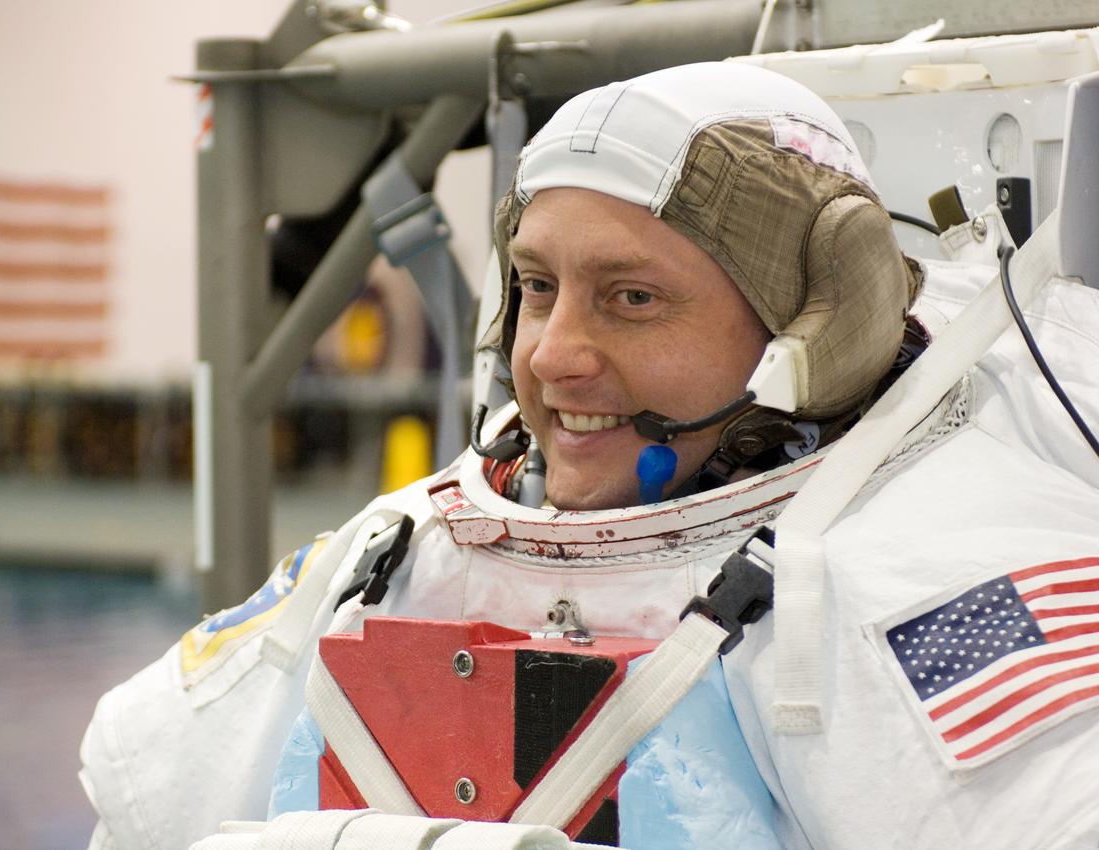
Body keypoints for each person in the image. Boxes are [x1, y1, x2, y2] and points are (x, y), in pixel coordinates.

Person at [80, 62, 1099, 850]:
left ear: (820, 322)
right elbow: (138, 811)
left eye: (631, 298)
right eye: (533, 285)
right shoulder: (388, 557)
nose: (553, 355)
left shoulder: (926, 581)